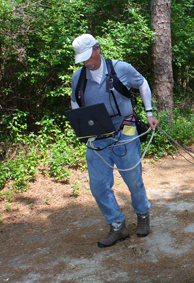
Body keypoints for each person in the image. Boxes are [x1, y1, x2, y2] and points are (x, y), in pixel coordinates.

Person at [70, 33, 159, 248]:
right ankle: (118, 226)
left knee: (133, 181)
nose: (86, 62)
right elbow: (74, 101)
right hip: (97, 140)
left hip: (125, 133)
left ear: (97, 49)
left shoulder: (121, 68)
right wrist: (81, 126)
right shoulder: (78, 77)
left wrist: (149, 113)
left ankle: (143, 215)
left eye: (88, 56)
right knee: (99, 187)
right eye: (81, 59)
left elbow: (143, 83)